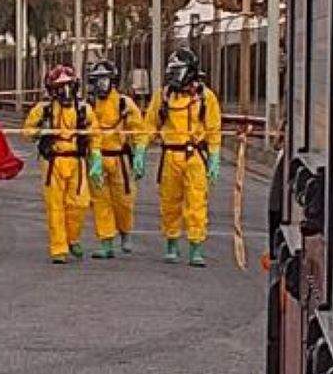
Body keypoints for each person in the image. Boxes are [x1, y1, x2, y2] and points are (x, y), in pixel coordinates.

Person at [143, 48, 223, 265]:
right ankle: (171, 242)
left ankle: (196, 246)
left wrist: (214, 156)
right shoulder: (164, 96)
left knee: (196, 203)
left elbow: (213, 129)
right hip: (170, 156)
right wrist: (140, 149)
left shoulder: (205, 98)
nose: (173, 76)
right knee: (170, 202)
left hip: (194, 156)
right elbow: (150, 125)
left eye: (177, 71)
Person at [21, 64, 94, 263]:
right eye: (60, 87)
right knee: (55, 207)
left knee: (79, 204)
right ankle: (59, 249)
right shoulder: (43, 110)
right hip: (53, 162)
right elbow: (26, 131)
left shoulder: (84, 110)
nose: (65, 91)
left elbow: (94, 134)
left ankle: (73, 238)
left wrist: (95, 159)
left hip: (77, 161)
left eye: (68, 86)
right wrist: (40, 132)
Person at [84, 58, 147, 259]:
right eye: (96, 80)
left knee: (124, 201)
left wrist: (139, 154)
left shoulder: (124, 104)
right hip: (97, 159)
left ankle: (125, 233)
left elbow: (139, 129)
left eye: (104, 80)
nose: (100, 85)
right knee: (100, 202)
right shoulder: (89, 105)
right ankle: (106, 241)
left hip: (120, 160)